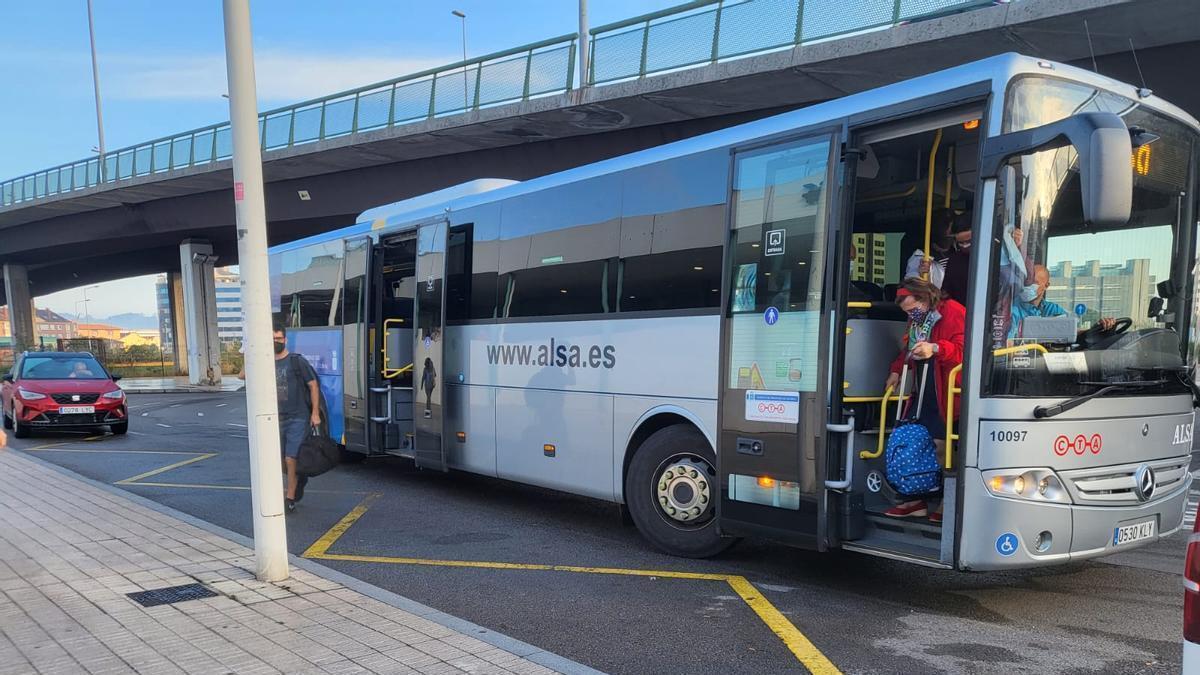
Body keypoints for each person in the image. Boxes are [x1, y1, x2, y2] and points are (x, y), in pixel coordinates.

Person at [882, 276, 965, 523]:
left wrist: (936, 348)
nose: (911, 315)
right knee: (916, 443)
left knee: (942, 447)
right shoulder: (918, 318)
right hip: (924, 387)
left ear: (925, 298)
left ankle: (945, 502)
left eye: (912, 310)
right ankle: (913, 500)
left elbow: (964, 350)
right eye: (907, 312)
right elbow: (908, 349)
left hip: (947, 388)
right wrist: (896, 371)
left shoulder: (954, 312)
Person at [239, 323, 321, 513]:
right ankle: (298, 479)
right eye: (272, 340)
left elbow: (313, 385)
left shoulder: (296, 361)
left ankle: (290, 497)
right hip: (274, 418)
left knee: (290, 457)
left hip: (297, 417)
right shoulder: (264, 361)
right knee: (278, 460)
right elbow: (242, 375)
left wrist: (315, 413)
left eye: (278, 339)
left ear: (285, 339)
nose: (275, 342)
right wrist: (251, 351)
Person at [1008, 264, 1116, 339]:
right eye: (1027, 281)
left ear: (1046, 286)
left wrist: (1097, 328)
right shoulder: (1010, 308)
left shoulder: (1052, 309)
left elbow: (1071, 330)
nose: (1029, 285)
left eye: (1034, 282)